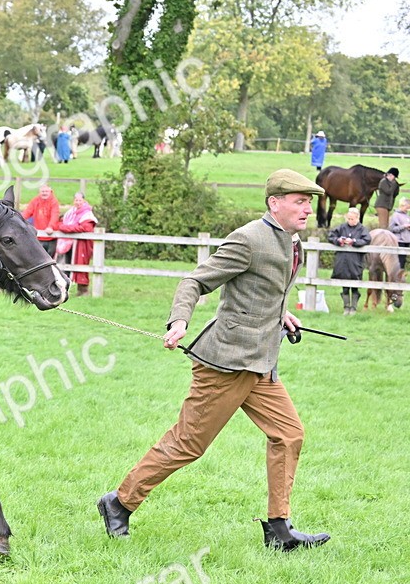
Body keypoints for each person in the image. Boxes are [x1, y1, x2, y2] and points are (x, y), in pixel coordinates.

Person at [97, 169, 331, 551]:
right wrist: (179, 320)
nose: (308, 208)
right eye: (300, 201)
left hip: (260, 364)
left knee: (288, 435)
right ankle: (119, 502)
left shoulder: (291, 243)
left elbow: (265, 290)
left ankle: (279, 529)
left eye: (309, 202)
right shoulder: (249, 238)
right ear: (275, 202)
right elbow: (195, 282)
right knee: (189, 443)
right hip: (225, 364)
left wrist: (282, 314)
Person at [327, 207, 371, 316]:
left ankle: (354, 308)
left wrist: (354, 242)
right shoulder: (342, 227)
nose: (350, 221)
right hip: (342, 260)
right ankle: (346, 307)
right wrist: (338, 241)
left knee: (355, 284)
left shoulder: (362, 229)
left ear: (357, 218)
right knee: (344, 284)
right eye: (348, 218)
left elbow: (367, 239)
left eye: (352, 219)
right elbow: (331, 236)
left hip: (356, 261)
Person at [55, 192, 97, 295]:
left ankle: (83, 291)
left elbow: (86, 228)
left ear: (84, 201)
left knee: (81, 264)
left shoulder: (87, 214)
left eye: (80, 200)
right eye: (76, 200)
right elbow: (60, 222)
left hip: (81, 244)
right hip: (68, 243)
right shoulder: (70, 213)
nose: (78, 202)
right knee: (65, 263)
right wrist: (65, 228)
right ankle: (64, 289)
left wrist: (66, 229)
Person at [21, 185, 60, 256]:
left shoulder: (54, 202)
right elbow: (27, 212)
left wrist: (50, 227)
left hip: (51, 237)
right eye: (42, 191)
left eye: (46, 191)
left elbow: (55, 215)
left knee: (50, 258)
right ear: (39, 192)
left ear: (50, 192)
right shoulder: (35, 201)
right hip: (38, 237)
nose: (44, 193)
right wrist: (18, 220)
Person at [390, 198, 410, 269]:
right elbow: (391, 229)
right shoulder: (395, 215)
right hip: (399, 241)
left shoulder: (407, 216)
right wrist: (403, 226)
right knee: (399, 261)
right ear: (402, 206)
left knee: (403, 261)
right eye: (407, 208)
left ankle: (401, 276)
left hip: (407, 241)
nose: (407, 210)